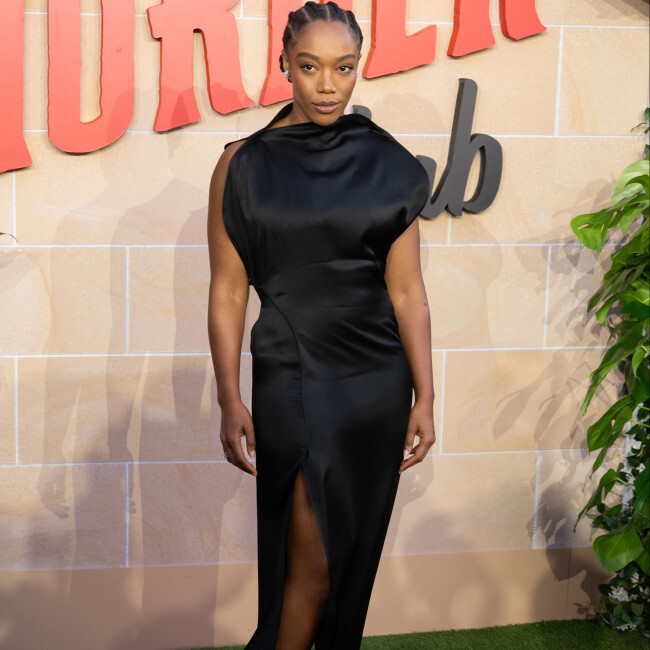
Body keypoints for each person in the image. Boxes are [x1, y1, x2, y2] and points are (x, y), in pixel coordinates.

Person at [207, 3, 436, 648]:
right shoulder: (242, 165)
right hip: (294, 375)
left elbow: (407, 289)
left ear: (360, 67)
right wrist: (229, 397)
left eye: (344, 67)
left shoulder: (389, 163)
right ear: (284, 64)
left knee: (346, 558)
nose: (328, 85)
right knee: (311, 563)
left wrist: (425, 394)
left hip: (376, 382)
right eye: (310, 67)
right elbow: (228, 290)